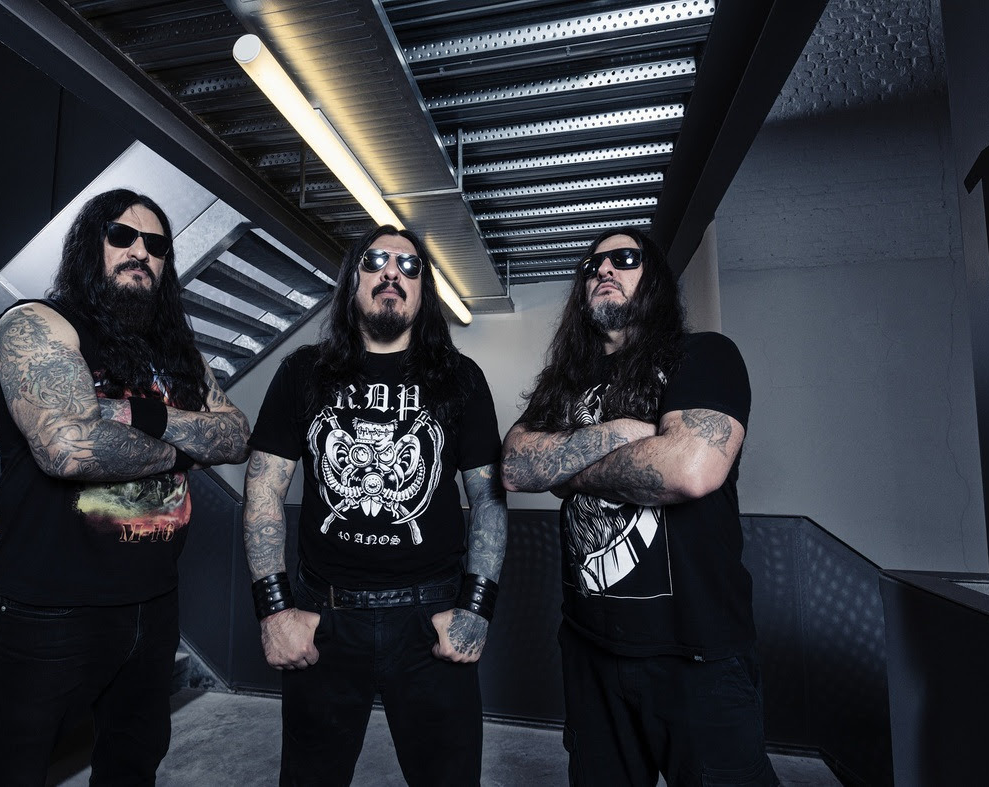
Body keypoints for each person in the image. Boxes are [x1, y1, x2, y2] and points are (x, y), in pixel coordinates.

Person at [0, 189, 252, 786]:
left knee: (131, 769)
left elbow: (237, 436)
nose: (141, 252)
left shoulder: (178, 355)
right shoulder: (37, 325)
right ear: (90, 245)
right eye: (122, 236)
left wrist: (134, 415)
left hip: (153, 604)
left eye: (156, 245)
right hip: (48, 609)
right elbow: (67, 448)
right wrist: (183, 448)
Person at [501, 227, 776, 786]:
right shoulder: (564, 384)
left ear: (654, 280)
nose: (604, 270)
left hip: (697, 656)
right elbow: (513, 467)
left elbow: (691, 469)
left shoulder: (704, 355)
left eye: (624, 259)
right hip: (589, 649)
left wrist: (569, 471)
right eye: (592, 265)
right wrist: (625, 433)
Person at [243, 224, 507, 787]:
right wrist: (274, 609)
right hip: (325, 616)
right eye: (376, 260)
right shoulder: (303, 371)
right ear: (352, 280)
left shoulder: (459, 378)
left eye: (409, 266)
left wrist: (476, 608)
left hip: (429, 616)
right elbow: (263, 489)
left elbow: (487, 498)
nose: (392, 272)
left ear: (423, 289)